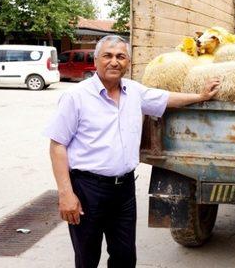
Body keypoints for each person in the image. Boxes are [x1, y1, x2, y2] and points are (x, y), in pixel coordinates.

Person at [44, 35, 220, 268]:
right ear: (96, 60)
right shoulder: (76, 96)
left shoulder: (135, 92)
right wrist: (66, 194)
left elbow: (167, 99)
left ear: (128, 62)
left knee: (125, 257)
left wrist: (200, 96)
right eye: (107, 56)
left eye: (120, 57)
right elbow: (57, 145)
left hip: (123, 190)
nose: (114, 62)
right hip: (88, 190)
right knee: (87, 258)